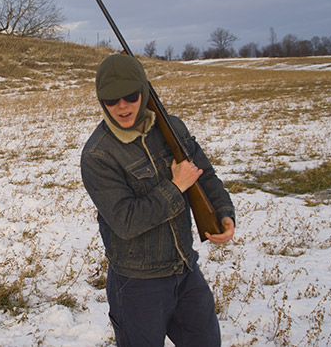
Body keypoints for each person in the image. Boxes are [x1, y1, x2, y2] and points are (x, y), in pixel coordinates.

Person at [80, 54, 235, 347]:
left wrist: (224, 212)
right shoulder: (97, 155)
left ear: (144, 91)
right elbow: (126, 221)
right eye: (111, 100)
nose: (122, 105)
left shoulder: (172, 128)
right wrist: (176, 187)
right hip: (138, 284)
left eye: (130, 95)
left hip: (185, 269)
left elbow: (204, 175)